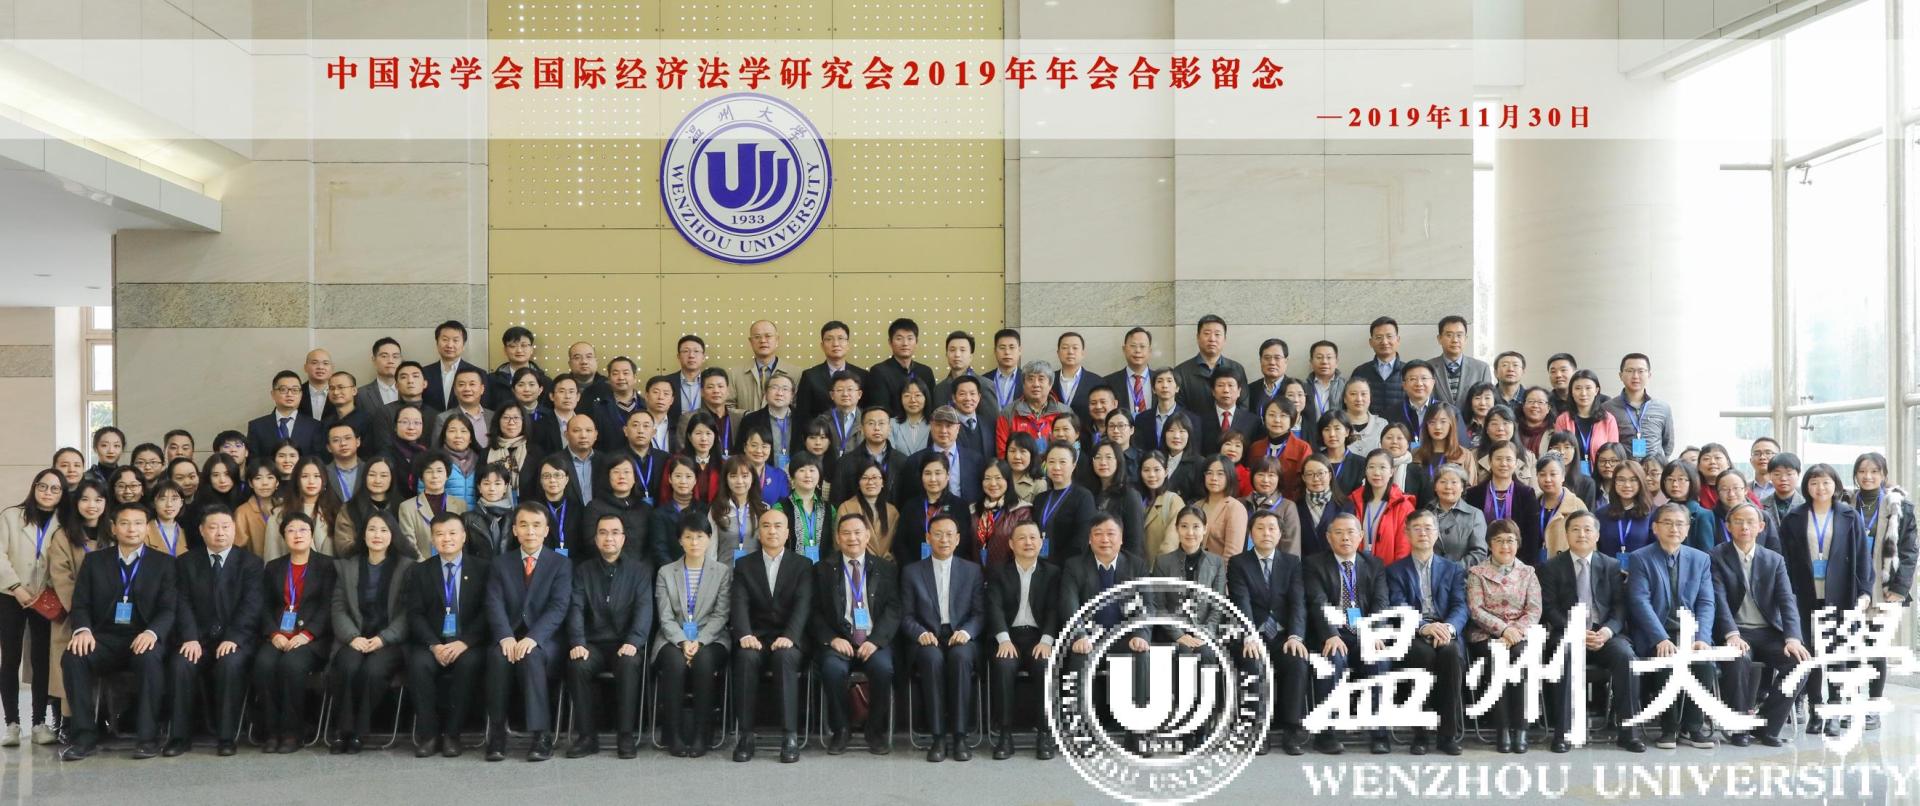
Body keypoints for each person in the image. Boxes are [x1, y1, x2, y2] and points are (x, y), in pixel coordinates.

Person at [57, 503, 178, 761]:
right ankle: (84, 737)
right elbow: (81, 603)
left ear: (147, 528)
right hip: (104, 638)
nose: (131, 529)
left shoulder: (164, 563)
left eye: (138, 523)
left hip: (143, 636)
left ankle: (148, 738)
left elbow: (168, 609)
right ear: (113, 528)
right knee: (73, 657)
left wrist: (152, 633)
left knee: (149, 659)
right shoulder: (94, 561)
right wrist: (83, 630)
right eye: (124, 523)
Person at [1778, 463, 1874, 736]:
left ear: (1835, 485)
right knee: (1810, 654)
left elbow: (1862, 557)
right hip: (1804, 594)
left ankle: (1834, 709)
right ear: (1806, 486)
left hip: (1840, 594)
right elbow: (1783, 560)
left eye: (1826, 482)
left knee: (1836, 654)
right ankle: (1815, 709)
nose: (1820, 488)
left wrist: (1865, 592)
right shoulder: (1794, 517)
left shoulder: (1849, 515)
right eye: (1814, 483)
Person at [1538, 510, 1645, 753]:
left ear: (1597, 535)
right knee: (1564, 656)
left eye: (1588, 529)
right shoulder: (1552, 567)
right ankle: (1563, 733)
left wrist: (1608, 631)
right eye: (1575, 529)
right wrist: (1574, 630)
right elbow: (1549, 608)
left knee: (1627, 658)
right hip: (1568, 631)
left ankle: (1629, 733)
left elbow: (1619, 606)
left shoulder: (1611, 565)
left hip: (1602, 632)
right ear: (1567, 534)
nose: (1582, 534)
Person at [162, 504, 262, 757]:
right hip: (198, 639)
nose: (220, 533)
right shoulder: (186, 562)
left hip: (235, 639)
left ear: (234, 529)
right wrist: (190, 637)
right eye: (213, 527)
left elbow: (252, 606)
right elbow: (181, 602)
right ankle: (179, 737)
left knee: (230, 664)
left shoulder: (250, 563)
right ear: (201, 530)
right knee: (181, 664)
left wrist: (234, 637)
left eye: (225, 527)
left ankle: (226, 737)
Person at [1711, 502, 1811, 747]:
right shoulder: (1716, 556)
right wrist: (1731, 634)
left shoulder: (1774, 560)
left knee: (1799, 663)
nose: (1744, 527)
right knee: (1738, 659)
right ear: (1728, 526)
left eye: (1750, 522)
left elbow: (1787, 600)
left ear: (1761, 527)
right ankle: (1739, 727)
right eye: (1738, 522)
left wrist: (1793, 638)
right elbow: (1718, 600)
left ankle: (1767, 725)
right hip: (1736, 631)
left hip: (1768, 631)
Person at [483, 502, 573, 762]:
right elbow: (493, 603)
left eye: (536, 525)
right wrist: (505, 636)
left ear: (546, 530)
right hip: (509, 636)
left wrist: (533, 638)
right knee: (498, 656)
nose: (530, 531)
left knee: (531, 656)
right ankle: (497, 733)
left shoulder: (561, 564)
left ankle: (541, 735)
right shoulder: (500, 564)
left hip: (546, 640)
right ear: (514, 530)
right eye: (523, 525)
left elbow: (558, 607)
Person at [1626, 503, 1720, 750]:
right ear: (1655, 528)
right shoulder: (1640, 558)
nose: (1674, 528)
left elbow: (1706, 602)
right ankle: (1669, 728)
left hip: (1690, 632)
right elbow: (1639, 601)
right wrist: (1660, 637)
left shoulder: (1700, 559)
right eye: (1667, 523)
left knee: (1703, 662)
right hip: (1656, 632)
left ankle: (1694, 728)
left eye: (1680, 524)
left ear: (1687, 529)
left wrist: (1702, 637)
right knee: (1667, 660)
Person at [564, 512, 654, 759]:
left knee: (629, 663)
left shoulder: (639, 571)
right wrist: (578, 642)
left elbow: (644, 610)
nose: (609, 538)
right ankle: (586, 737)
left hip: (625, 643)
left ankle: (625, 735)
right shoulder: (583, 570)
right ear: (595, 539)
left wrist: (634, 641)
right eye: (603, 533)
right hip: (592, 644)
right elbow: (575, 608)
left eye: (615, 533)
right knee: (577, 664)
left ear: (624, 538)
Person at [900, 513, 986, 763]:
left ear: (958, 539)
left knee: (960, 658)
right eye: (938, 534)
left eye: (949, 535)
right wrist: (920, 633)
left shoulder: (972, 571)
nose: (944, 540)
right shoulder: (912, 572)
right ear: (928, 538)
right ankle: (937, 736)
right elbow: (905, 615)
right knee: (931, 659)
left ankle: (960, 736)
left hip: (961, 635)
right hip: (928, 637)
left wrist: (967, 632)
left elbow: (980, 613)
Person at [813, 512, 901, 755]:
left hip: (873, 640)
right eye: (846, 533)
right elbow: (815, 612)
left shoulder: (885, 568)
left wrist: (876, 641)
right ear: (837, 538)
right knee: (832, 670)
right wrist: (832, 639)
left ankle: (875, 730)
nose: (852, 538)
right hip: (839, 640)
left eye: (857, 533)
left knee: (883, 669)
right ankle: (841, 729)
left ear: (867, 536)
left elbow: (894, 609)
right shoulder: (822, 569)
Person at [403, 513, 490, 758]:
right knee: (418, 665)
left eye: (452, 533)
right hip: (432, 642)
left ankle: (453, 734)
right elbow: (414, 614)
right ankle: (429, 735)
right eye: (439, 534)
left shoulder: (483, 569)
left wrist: (465, 642)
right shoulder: (420, 571)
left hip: (468, 643)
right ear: (432, 539)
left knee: (468, 665)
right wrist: (434, 645)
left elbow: (487, 612)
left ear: (464, 536)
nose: (446, 539)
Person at [1303, 513, 1391, 754]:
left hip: (1364, 631)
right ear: (1328, 537)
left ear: (1361, 536)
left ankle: (1380, 734)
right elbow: (1318, 602)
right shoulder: (1314, 564)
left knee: (1378, 658)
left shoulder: (1374, 564)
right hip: (1332, 633)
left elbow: (1381, 601)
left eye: (1351, 532)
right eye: (1339, 533)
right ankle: (1326, 734)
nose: (1345, 538)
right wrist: (1330, 634)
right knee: (1331, 659)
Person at [730, 508, 813, 763]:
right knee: (746, 657)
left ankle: (790, 736)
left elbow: (803, 605)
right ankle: (746, 735)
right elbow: (739, 603)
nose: (772, 531)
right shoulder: (744, 565)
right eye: (766, 526)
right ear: (759, 532)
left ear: (788, 533)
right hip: (756, 635)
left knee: (784, 658)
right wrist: (745, 634)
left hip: (789, 636)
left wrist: (790, 636)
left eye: (778, 526)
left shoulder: (802, 565)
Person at [327, 510, 414, 754]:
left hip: (389, 641)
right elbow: (338, 608)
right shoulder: (347, 566)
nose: (377, 535)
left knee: (372, 671)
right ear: (363, 535)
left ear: (393, 535)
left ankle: (359, 731)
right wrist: (352, 637)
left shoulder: (407, 567)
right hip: (354, 637)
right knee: (347, 666)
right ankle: (342, 730)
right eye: (372, 529)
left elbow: (407, 613)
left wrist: (383, 638)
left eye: (384, 530)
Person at [1225, 510, 1311, 755]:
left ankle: (1292, 730)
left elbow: (1298, 602)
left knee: (1297, 661)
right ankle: (1258, 730)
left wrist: (1296, 636)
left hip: (1283, 635)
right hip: (1253, 634)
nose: (1266, 533)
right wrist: (1249, 635)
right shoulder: (1239, 563)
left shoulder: (1292, 562)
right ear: (1251, 533)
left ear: (1281, 534)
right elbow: (1240, 601)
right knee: (1254, 662)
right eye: (1260, 528)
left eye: (1272, 528)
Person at [252, 512, 336, 754]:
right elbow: (264, 606)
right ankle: (271, 731)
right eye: (291, 530)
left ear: (311, 535)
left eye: (303, 530)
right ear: (283, 537)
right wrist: (273, 633)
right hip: (279, 635)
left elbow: (328, 605)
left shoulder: (327, 566)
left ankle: (292, 732)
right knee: (264, 664)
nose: (297, 535)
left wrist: (307, 634)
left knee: (291, 665)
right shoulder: (274, 567)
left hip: (312, 639)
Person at [1386, 509, 1468, 756]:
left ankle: (1447, 735)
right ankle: (1420, 734)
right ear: (1407, 533)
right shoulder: (1395, 571)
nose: (1423, 533)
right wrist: (1423, 626)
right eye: (1417, 528)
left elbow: (1460, 606)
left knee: (1450, 655)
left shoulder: (1453, 569)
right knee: (1422, 656)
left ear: (1437, 533)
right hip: (1413, 631)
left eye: (1428, 528)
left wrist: (1448, 628)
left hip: (1445, 629)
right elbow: (1398, 606)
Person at [1465, 521, 1542, 753]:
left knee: (1520, 657)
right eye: (1498, 541)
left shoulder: (1528, 572)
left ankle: (1521, 728)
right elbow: (1476, 609)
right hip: (1486, 634)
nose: (1505, 546)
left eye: (1510, 540)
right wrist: (1503, 630)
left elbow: (1534, 609)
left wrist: (1515, 632)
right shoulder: (1477, 573)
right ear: (1490, 545)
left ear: (1518, 544)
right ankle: (1503, 728)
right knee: (1498, 658)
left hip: (1521, 634)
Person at [984, 521, 1059, 759]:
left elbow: (1054, 610)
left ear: (1041, 542)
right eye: (1022, 538)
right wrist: (1003, 639)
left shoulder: (1053, 573)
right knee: (1003, 665)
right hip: (1008, 636)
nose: (1028, 542)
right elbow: (993, 607)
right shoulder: (998, 572)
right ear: (1011, 544)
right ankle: (1005, 735)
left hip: (1039, 637)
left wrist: (1047, 641)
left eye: (1033, 538)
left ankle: (1045, 734)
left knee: (1045, 664)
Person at [0, 471, 62, 746]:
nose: (48, 492)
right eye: (43, 486)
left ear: (62, 494)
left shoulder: (64, 521)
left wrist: (45, 590)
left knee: (41, 659)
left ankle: (39, 723)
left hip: (44, 597)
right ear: (34, 487)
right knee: (10, 658)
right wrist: (16, 587)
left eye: (55, 489)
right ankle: (11, 724)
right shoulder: (11, 516)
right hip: (10, 594)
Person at [1852, 452, 1917, 708]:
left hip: (1883, 588)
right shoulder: (1845, 503)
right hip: (1852, 586)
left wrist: (1900, 587)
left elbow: (1910, 551)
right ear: (1855, 475)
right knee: (1850, 647)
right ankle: (1850, 702)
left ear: (1884, 475)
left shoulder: (1899, 506)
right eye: (1862, 471)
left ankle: (1874, 703)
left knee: (1875, 647)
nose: (1867, 476)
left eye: (1874, 471)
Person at [1466, 441, 1544, 565]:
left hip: (1517, 564)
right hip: (1481, 562)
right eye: (1498, 459)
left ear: (1516, 463)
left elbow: (1532, 537)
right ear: (1489, 462)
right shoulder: (1474, 494)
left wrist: (1524, 568)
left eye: (1508, 459)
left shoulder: (1527, 494)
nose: (1503, 463)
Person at [896, 453, 975, 565]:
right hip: (916, 570)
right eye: (927, 473)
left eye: (938, 473)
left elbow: (964, 544)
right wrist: (912, 569)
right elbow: (900, 544)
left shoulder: (959, 506)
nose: (933, 479)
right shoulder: (911, 506)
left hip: (951, 568)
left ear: (947, 476)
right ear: (921, 476)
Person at [1601, 353, 1675, 463]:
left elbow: (1668, 444)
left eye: (1641, 371)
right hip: (1624, 469)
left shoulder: (1663, 408)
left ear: (1649, 375)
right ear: (1621, 375)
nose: (1635, 376)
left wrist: (1658, 464)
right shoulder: (1608, 408)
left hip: (1654, 469)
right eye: (1630, 371)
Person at [1029, 444, 1097, 564]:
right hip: (1038, 565)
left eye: (1062, 462)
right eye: (1051, 462)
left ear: (1073, 465)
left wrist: (1056, 565)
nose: (1056, 467)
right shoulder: (1040, 498)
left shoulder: (1083, 497)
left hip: (1069, 566)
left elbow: (1081, 539)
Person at [264, 457, 341, 559]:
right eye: (305, 476)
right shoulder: (279, 515)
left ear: (325, 480)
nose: (311, 481)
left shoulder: (336, 511)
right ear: (297, 481)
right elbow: (272, 556)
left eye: (317, 476)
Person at [796, 321, 869, 429]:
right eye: (829, 339)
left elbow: (868, 412)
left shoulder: (863, 375)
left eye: (840, 338)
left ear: (848, 344)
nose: (835, 344)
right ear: (822, 346)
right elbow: (803, 416)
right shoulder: (810, 376)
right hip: (821, 436)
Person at [1348, 449, 1415, 565]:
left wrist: (1395, 573)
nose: (1376, 472)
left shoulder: (1403, 506)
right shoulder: (1353, 501)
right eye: (1371, 467)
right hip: (1357, 569)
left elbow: (1404, 548)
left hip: (1389, 571)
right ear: (1365, 470)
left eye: (1382, 467)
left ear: (1391, 472)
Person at [1174, 315, 1250, 415]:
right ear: (1198, 337)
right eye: (1207, 333)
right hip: (1193, 425)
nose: (1212, 339)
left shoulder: (1236, 368)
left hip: (1229, 425)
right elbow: (1179, 409)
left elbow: (1243, 406)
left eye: (1217, 334)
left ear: (1224, 339)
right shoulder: (1181, 372)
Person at [400, 452, 471, 558]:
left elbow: (463, 541)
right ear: (421, 477)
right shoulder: (407, 507)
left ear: (447, 475)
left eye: (439, 471)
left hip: (454, 565)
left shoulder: (461, 505)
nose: (435, 476)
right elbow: (409, 546)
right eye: (429, 471)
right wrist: (426, 566)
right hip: (422, 565)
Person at [997, 360, 1073, 457]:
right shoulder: (1008, 413)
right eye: (1030, 379)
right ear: (1023, 384)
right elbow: (1002, 453)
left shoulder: (1065, 412)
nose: (1036, 384)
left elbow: (1072, 447)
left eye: (1041, 379)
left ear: (1050, 384)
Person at [1551, 369, 1621, 470]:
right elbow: (1558, 454)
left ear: (1596, 390)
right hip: (1570, 475)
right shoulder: (1562, 420)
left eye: (1588, 388)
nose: (1583, 393)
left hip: (1601, 475)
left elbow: (1614, 455)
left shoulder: (1608, 420)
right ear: (1571, 391)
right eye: (1578, 388)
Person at [1088, 441, 1147, 558]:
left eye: (1109, 457)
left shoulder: (1130, 495)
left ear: (1118, 461)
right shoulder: (1090, 494)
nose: (1103, 462)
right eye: (1098, 457)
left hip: (1121, 563)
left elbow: (1135, 542)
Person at [586, 459, 652, 563]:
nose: (622, 476)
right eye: (616, 472)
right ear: (608, 477)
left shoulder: (645, 509)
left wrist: (643, 569)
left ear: (635, 478)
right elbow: (591, 543)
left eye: (627, 472)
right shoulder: (595, 507)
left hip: (642, 569)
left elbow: (651, 546)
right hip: (605, 567)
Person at [247, 370, 323, 458]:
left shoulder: (314, 426)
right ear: (273, 394)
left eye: (295, 390)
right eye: (283, 389)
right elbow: (254, 461)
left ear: (301, 395)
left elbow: (317, 460)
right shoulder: (256, 427)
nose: (289, 394)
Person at [1596, 461, 1654, 572]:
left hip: (1641, 574)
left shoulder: (1652, 513)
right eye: (1621, 480)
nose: (1627, 485)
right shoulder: (1601, 514)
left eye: (1633, 480)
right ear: (1614, 482)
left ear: (1641, 482)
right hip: (1607, 574)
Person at [1248, 397, 1311, 501]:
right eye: (1271, 415)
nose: (1277, 420)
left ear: (1292, 420)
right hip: (1258, 503)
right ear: (1264, 418)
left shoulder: (1302, 448)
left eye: (1283, 416)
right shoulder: (1256, 448)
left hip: (1291, 504)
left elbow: (1303, 484)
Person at [1428, 464, 1489, 567]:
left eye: (1454, 482)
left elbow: (1479, 553)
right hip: (1429, 574)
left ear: (1462, 487)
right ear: (1435, 487)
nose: (1448, 487)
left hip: (1462, 575)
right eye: (1443, 482)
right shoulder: (1426, 513)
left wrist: (1454, 570)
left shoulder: (1475, 515)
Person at [1428, 316, 1493, 410]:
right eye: (1449, 335)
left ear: (1465, 339)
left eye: (1459, 335)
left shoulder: (1481, 369)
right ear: (1439, 339)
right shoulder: (1428, 368)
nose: (1455, 340)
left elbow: (1487, 404)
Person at [739, 371, 800, 470]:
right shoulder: (750, 420)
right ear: (765, 393)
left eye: (785, 389)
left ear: (792, 395)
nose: (779, 393)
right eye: (774, 388)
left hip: (797, 475)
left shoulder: (803, 419)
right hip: (762, 475)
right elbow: (740, 453)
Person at [422, 320, 485, 414]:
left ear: (463, 345)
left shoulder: (479, 374)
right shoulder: (423, 373)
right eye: (445, 339)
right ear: (437, 343)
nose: (450, 345)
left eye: (455, 340)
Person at [1349, 316, 1407, 418]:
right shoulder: (1360, 372)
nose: (1384, 342)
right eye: (1379, 337)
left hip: (1400, 427)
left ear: (1398, 340)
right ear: (1371, 342)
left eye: (1389, 336)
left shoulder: (1409, 371)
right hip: (1369, 427)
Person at [1535, 455, 1589, 558]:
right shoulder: (1532, 503)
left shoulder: (1577, 506)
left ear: (1563, 476)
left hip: (1566, 565)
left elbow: (1588, 544)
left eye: (1553, 474)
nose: (1547, 479)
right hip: (1534, 565)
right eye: (1542, 474)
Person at [1660, 461, 1719, 552]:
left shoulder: (1703, 515)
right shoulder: (1660, 512)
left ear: (1692, 481)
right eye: (1670, 479)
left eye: (1681, 479)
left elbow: (1706, 553)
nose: (1675, 484)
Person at [462, 465, 517, 561]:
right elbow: (464, 553)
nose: (492, 488)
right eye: (486, 483)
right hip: (478, 569)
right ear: (479, 487)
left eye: (497, 484)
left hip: (508, 569)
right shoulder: (467, 519)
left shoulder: (515, 517)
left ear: (505, 487)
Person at [1136, 452, 1185, 558]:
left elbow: (1170, 544)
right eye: (1146, 470)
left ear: (1166, 472)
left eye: (1157, 470)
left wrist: (1161, 566)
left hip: (1161, 566)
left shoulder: (1173, 501)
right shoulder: (1139, 500)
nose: (1151, 475)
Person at [487, 326, 547, 411]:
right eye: (513, 346)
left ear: (531, 349)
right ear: (505, 350)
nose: (519, 350)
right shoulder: (491, 381)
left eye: (524, 345)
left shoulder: (545, 381)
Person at [731, 320, 784, 414]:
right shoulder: (735, 375)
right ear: (750, 341)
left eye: (768, 336)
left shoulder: (795, 374)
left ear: (777, 339)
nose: (763, 340)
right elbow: (727, 407)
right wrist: (748, 416)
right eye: (757, 337)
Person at [1105, 327, 1155, 418]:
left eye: (1142, 346)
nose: (1138, 350)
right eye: (1133, 346)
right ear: (1124, 349)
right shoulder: (1108, 382)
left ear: (1150, 351)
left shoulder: (1160, 380)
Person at [1050, 331, 1095, 423]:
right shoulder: (1048, 380)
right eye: (1065, 348)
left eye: (1075, 348)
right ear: (1058, 353)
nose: (1070, 352)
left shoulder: (1096, 382)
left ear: (1083, 353)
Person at [890, 376, 935, 456]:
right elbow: (890, 454)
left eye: (918, 395)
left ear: (926, 398)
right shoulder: (891, 424)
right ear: (900, 399)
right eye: (907, 395)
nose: (913, 400)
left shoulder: (935, 424)